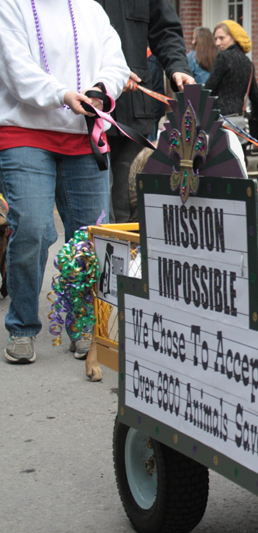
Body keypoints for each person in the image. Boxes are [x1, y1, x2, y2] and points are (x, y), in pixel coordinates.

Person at [0, 0, 129, 364]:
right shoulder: (10, 6)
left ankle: (83, 325)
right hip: (24, 132)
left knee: (90, 236)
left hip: (81, 136)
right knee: (33, 228)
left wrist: (102, 89)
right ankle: (22, 326)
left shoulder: (91, 8)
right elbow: (15, 67)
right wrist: (62, 94)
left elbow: (115, 62)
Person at [95, 0, 194, 224]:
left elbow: (165, 29)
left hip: (132, 113)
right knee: (96, 213)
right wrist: (111, 75)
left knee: (127, 210)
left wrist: (177, 66)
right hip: (86, 111)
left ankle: (129, 258)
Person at [206, 21, 258, 120]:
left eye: (222, 38)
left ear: (234, 38)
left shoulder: (223, 57)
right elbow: (255, 97)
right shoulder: (248, 63)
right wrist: (255, 115)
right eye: (215, 39)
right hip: (239, 120)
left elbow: (209, 88)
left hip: (219, 119)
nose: (217, 43)